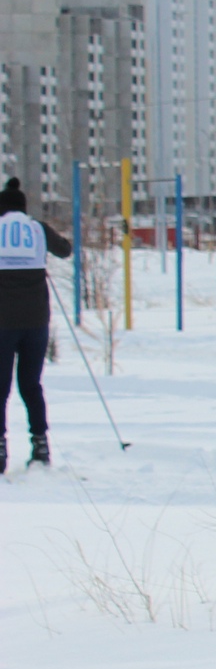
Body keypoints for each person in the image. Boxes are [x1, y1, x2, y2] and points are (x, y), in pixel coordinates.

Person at [0, 177, 72, 471]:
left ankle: (0, 449)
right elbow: (65, 250)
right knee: (31, 385)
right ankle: (41, 445)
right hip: (37, 324)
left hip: (2, 324)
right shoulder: (37, 229)